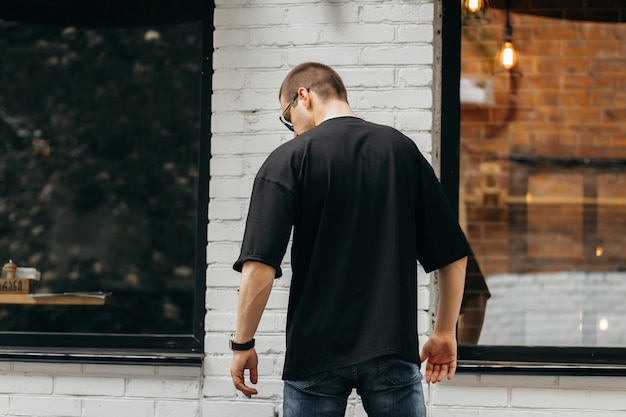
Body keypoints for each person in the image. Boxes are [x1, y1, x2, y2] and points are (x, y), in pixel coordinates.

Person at [230, 62, 470, 417]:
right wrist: (445, 332)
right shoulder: (401, 151)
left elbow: (259, 267)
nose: (292, 129)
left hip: (313, 353)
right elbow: (452, 254)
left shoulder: (288, 160)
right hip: (392, 347)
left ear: (303, 97)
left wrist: (243, 343)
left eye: (287, 117)